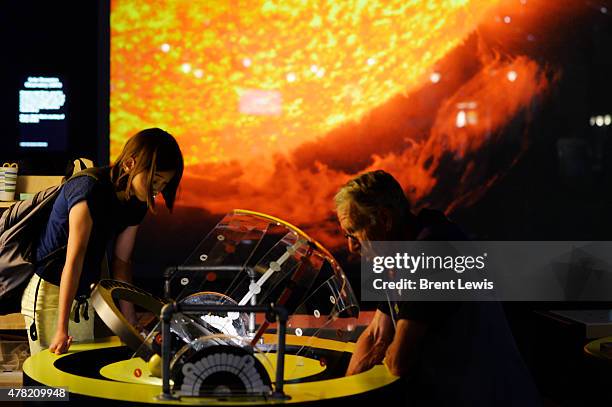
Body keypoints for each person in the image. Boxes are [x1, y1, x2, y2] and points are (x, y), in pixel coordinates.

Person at [334, 170, 540, 406]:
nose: (351, 247)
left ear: (384, 219)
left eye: (354, 233)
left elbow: (399, 361)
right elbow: (374, 334)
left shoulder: (432, 253)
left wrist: (384, 350)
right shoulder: (404, 247)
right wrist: (347, 389)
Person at [21, 128, 183, 355]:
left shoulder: (137, 202)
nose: (156, 189)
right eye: (154, 180)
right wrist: (61, 328)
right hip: (50, 293)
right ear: (129, 164)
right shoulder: (88, 189)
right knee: (51, 384)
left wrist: (131, 321)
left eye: (163, 184)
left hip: (82, 296)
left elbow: (122, 262)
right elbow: (74, 259)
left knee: (75, 381)